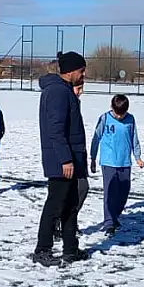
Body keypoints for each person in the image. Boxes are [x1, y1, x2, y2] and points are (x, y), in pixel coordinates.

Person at [34, 51, 90, 267]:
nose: (83, 74)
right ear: (70, 71)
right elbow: (55, 131)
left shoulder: (65, 91)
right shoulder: (58, 92)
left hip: (70, 159)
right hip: (61, 161)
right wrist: (66, 159)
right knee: (55, 205)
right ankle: (42, 249)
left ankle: (70, 249)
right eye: (81, 70)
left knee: (70, 205)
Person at [89, 94, 144, 234]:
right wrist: (93, 157)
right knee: (110, 191)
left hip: (125, 161)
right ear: (111, 107)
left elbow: (134, 138)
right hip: (108, 161)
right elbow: (96, 138)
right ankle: (109, 222)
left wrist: (138, 157)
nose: (119, 116)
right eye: (117, 113)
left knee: (123, 191)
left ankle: (115, 216)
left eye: (122, 113)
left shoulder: (131, 119)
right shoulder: (104, 118)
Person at [55, 82, 89, 240]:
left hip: (79, 155)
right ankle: (60, 222)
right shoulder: (64, 101)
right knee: (66, 192)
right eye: (78, 88)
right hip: (68, 156)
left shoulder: (77, 102)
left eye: (82, 88)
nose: (80, 92)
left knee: (82, 188)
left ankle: (68, 220)